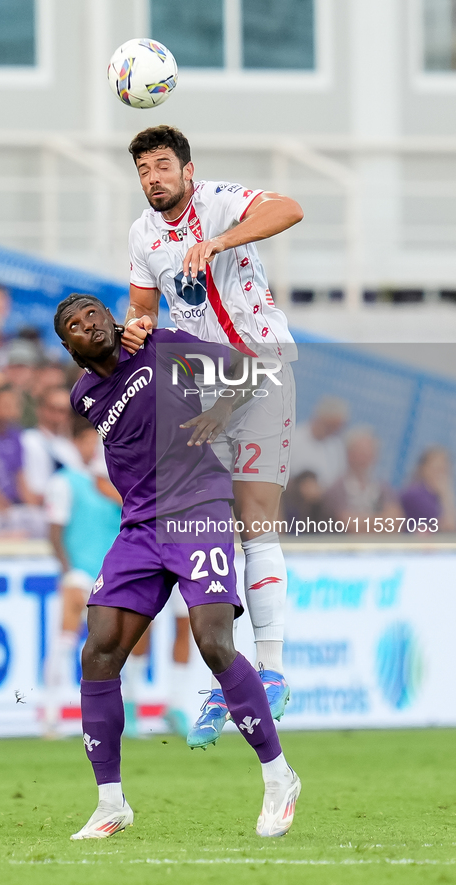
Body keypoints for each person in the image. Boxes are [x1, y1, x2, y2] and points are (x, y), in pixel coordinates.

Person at [55, 293, 300, 840]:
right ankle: (110, 803)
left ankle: (279, 777)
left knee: (214, 643)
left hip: (198, 507)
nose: (88, 323)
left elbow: (247, 371)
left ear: (112, 319)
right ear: (69, 346)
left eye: (94, 312)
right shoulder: (85, 396)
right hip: (140, 527)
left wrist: (217, 411)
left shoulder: (162, 346)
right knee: (98, 652)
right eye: (74, 323)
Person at [121, 125, 303, 748]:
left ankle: (272, 670)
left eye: (163, 165)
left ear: (188, 170)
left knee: (255, 521)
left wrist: (219, 241)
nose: (153, 176)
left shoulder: (220, 201)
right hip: (204, 384)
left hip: (262, 363)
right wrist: (135, 330)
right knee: (200, 530)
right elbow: (142, 309)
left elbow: (290, 208)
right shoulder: (143, 235)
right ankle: (234, 679)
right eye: (144, 168)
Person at [44, 416, 122, 736]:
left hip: (109, 574)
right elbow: (55, 532)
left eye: (97, 441)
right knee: (65, 640)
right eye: (88, 441)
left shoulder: (111, 484)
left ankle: (113, 716)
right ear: (75, 443)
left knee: (111, 645)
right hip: (79, 572)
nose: (93, 447)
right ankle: (49, 714)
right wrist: (68, 571)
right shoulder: (64, 482)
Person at [324, 427, 403, 532]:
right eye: (361, 452)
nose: (366, 457)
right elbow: (349, 525)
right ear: (349, 454)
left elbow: (396, 521)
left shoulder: (382, 487)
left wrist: (363, 521)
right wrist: (382, 522)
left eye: (369, 452)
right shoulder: (337, 488)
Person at [22, 385, 83, 498]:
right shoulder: (27, 439)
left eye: (63, 411)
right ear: (40, 409)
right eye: (52, 409)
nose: (57, 416)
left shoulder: (69, 448)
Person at [0, 385, 40, 506]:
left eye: (14, 405)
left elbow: (20, 476)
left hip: (13, 503)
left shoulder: (15, 436)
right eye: (6, 405)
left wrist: (33, 506)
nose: (12, 410)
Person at [290, 397, 349, 490]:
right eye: (331, 426)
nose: (334, 431)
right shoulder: (294, 438)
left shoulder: (336, 447)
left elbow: (338, 478)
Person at [400, 447, 456, 532]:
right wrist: (446, 497)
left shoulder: (434, 496)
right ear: (423, 468)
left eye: (444, 470)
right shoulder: (415, 494)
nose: (441, 476)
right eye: (436, 469)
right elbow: (449, 526)